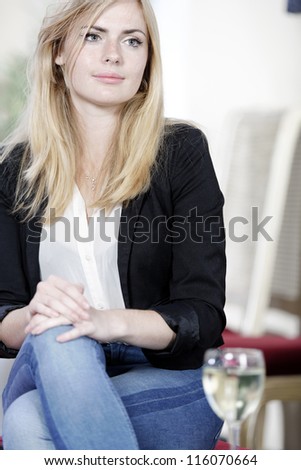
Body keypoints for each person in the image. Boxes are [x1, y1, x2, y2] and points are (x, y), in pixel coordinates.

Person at [0, 0, 226, 450]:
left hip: (167, 379)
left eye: (132, 40)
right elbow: (4, 317)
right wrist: (37, 313)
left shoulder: (182, 152)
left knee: (28, 422)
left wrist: (105, 322)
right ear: (58, 50)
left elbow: (202, 316)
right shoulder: (13, 169)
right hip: (51, 357)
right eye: (92, 35)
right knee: (59, 333)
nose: (113, 55)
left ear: (147, 61)